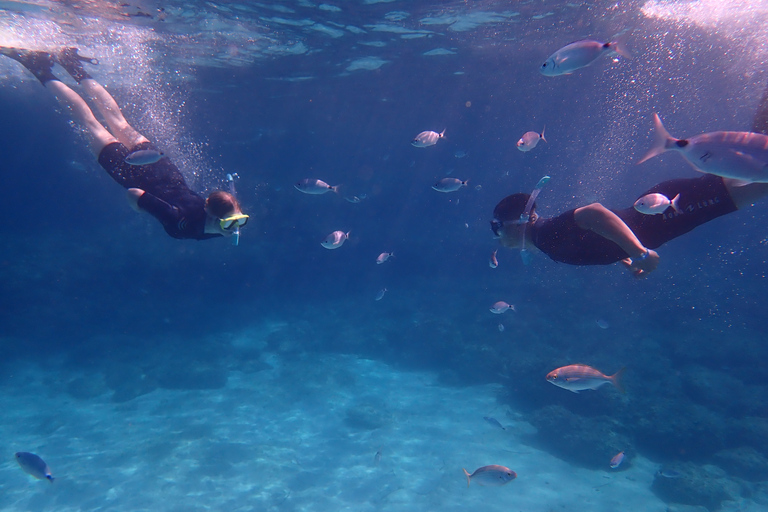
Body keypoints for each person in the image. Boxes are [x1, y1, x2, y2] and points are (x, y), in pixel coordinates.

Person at [1, 46, 248, 241]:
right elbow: (135, 193)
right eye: (231, 222)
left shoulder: (221, 213)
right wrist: (141, 208)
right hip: (135, 174)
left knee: (118, 120)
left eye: (239, 220)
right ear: (210, 212)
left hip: (161, 165)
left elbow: (225, 202)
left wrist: (226, 216)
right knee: (90, 122)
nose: (235, 228)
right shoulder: (181, 222)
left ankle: (71, 63)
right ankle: (39, 66)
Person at [491, 113, 768, 278]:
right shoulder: (544, 239)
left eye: (498, 227)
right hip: (665, 212)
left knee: (758, 173)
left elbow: (593, 213)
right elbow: (591, 238)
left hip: (667, 210)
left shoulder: (546, 233)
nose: (497, 235)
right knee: (755, 169)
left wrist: (639, 253)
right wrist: (627, 258)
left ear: (521, 220)